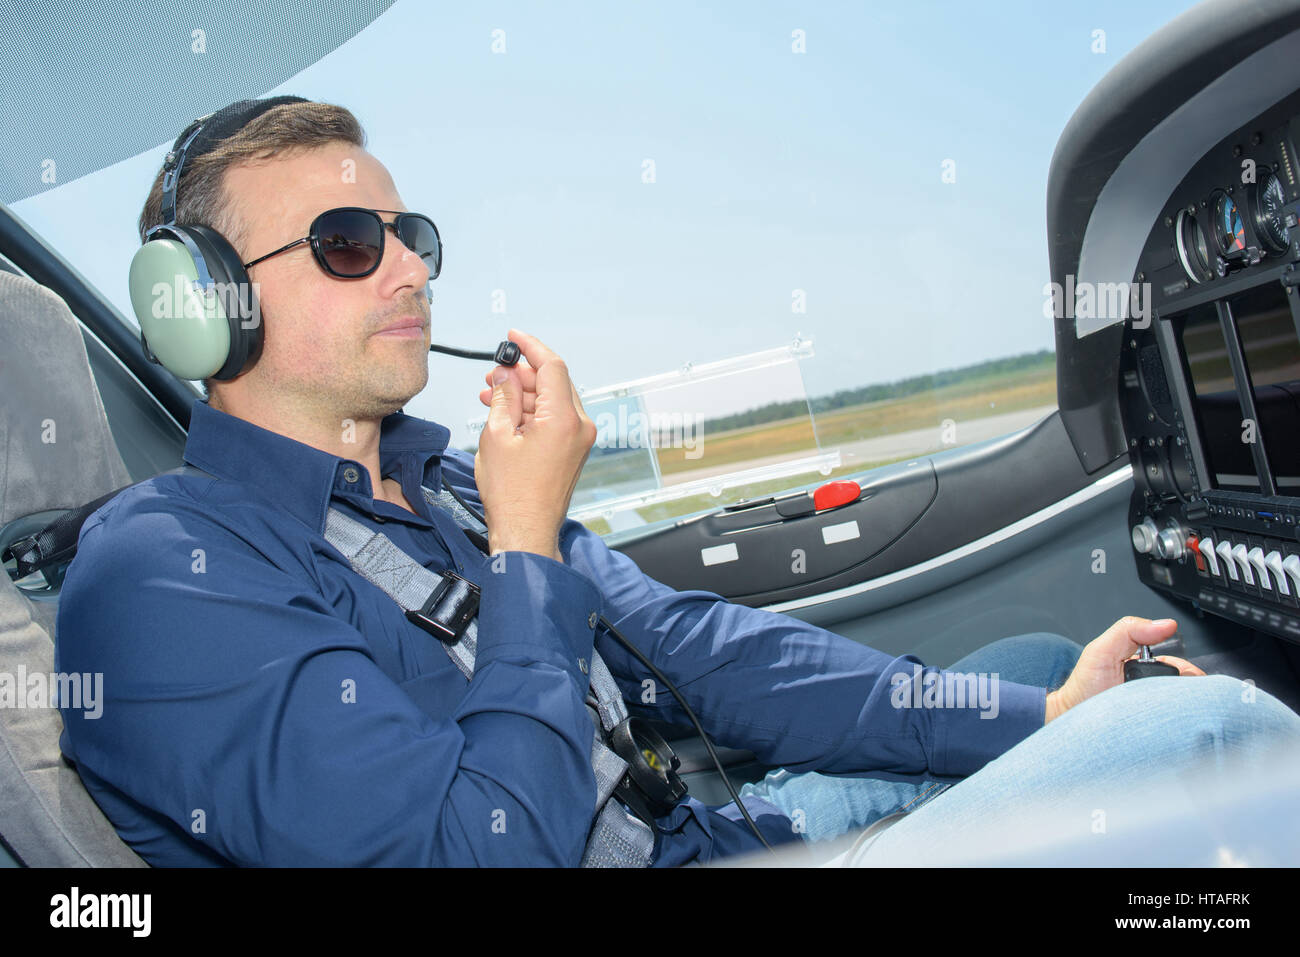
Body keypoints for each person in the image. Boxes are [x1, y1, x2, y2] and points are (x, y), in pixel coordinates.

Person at [54, 97, 1300, 867]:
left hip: (701, 834)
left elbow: (706, 654)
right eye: (346, 244)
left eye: (411, 236)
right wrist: (530, 550)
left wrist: (1042, 726)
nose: (408, 274)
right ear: (202, 307)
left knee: (1035, 668)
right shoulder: (164, 578)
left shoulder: (445, 485)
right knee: (1212, 735)